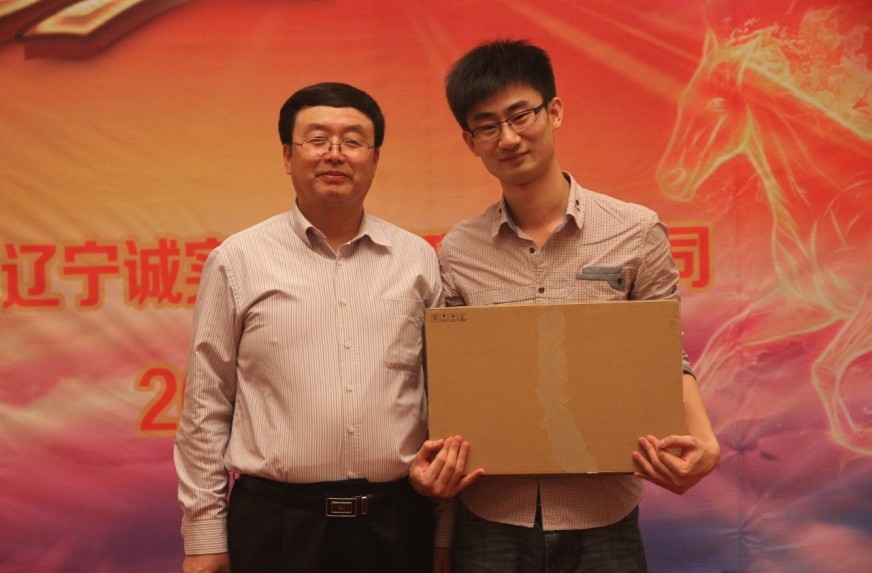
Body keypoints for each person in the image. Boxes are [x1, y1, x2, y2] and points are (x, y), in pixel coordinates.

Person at [409, 39, 721, 572]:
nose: (509, 138)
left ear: (553, 111)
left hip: (603, 512)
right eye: (487, 126)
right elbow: (451, 383)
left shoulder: (635, 231)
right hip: (492, 514)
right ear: (470, 141)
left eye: (520, 115)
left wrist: (704, 438)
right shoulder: (459, 250)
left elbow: (664, 354)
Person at [174, 82, 445, 573]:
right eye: (317, 139)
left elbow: (445, 399)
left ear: (375, 158)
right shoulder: (238, 260)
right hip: (277, 526)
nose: (334, 154)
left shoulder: (417, 260)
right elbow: (205, 404)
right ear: (287, 155)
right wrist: (204, 535)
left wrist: (446, 531)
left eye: (353, 141)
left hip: (397, 523)